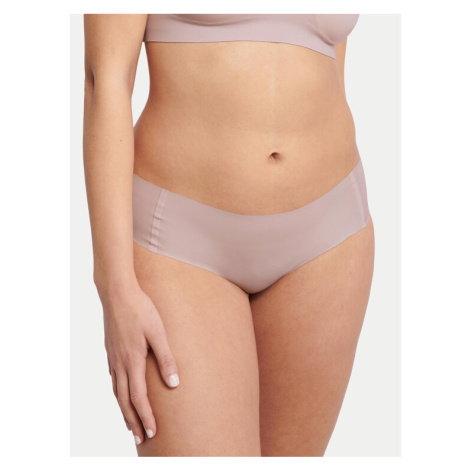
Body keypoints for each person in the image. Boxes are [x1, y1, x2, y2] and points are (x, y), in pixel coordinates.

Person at [83, 13, 375, 457]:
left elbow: (328, 54)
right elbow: (105, 81)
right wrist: (115, 288)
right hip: (180, 241)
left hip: (328, 236)